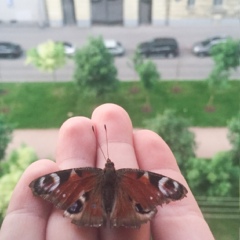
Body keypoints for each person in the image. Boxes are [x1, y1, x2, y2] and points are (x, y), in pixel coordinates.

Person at [0, 104, 214, 240]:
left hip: (90, 203)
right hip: (125, 204)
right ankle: (120, 213)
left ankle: (96, 212)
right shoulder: (134, 177)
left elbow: (59, 180)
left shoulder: (83, 175)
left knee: (72, 192)